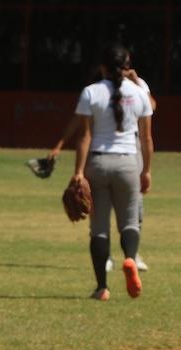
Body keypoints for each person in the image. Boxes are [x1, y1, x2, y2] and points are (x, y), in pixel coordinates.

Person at [49, 44, 154, 300]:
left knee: (99, 228)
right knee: (129, 222)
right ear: (126, 65)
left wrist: (78, 173)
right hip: (129, 162)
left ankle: (102, 288)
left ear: (102, 67)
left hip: (98, 163)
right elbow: (147, 139)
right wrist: (147, 171)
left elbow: (84, 136)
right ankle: (130, 259)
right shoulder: (139, 93)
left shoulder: (91, 92)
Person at [106, 68, 156, 273]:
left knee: (136, 208)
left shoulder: (138, 85)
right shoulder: (104, 86)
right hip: (108, 147)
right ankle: (106, 255)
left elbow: (152, 106)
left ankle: (132, 254)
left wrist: (136, 82)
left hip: (133, 149)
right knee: (105, 207)